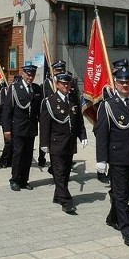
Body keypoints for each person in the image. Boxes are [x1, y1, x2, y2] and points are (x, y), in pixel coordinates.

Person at [96, 66, 129, 247]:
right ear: (116, 84)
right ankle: (127, 230)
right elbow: (102, 133)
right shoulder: (109, 105)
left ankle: (113, 217)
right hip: (117, 156)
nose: (125, 85)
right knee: (121, 196)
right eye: (121, 82)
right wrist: (101, 159)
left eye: (128, 82)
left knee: (125, 192)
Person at [40, 72, 88, 214]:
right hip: (56, 143)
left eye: (68, 83)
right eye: (63, 84)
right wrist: (44, 143)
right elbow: (44, 124)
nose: (66, 86)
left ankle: (57, 195)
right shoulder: (49, 101)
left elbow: (78, 120)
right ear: (57, 85)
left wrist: (83, 136)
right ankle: (66, 202)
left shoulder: (73, 100)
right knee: (59, 173)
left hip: (70, 143)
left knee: (66, 172)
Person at [2, 65, 43, 191]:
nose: (30, 77)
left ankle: (24, 180)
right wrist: (7, 129)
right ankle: (14, 179)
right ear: (23, 74)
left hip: (31, 128)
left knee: (28, 155)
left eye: (32, 75)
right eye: (28, 75)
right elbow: (7, 110)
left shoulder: (36, 89)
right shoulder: (14, 88)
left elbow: (39, 111)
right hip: (18, 127)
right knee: (18, 154)